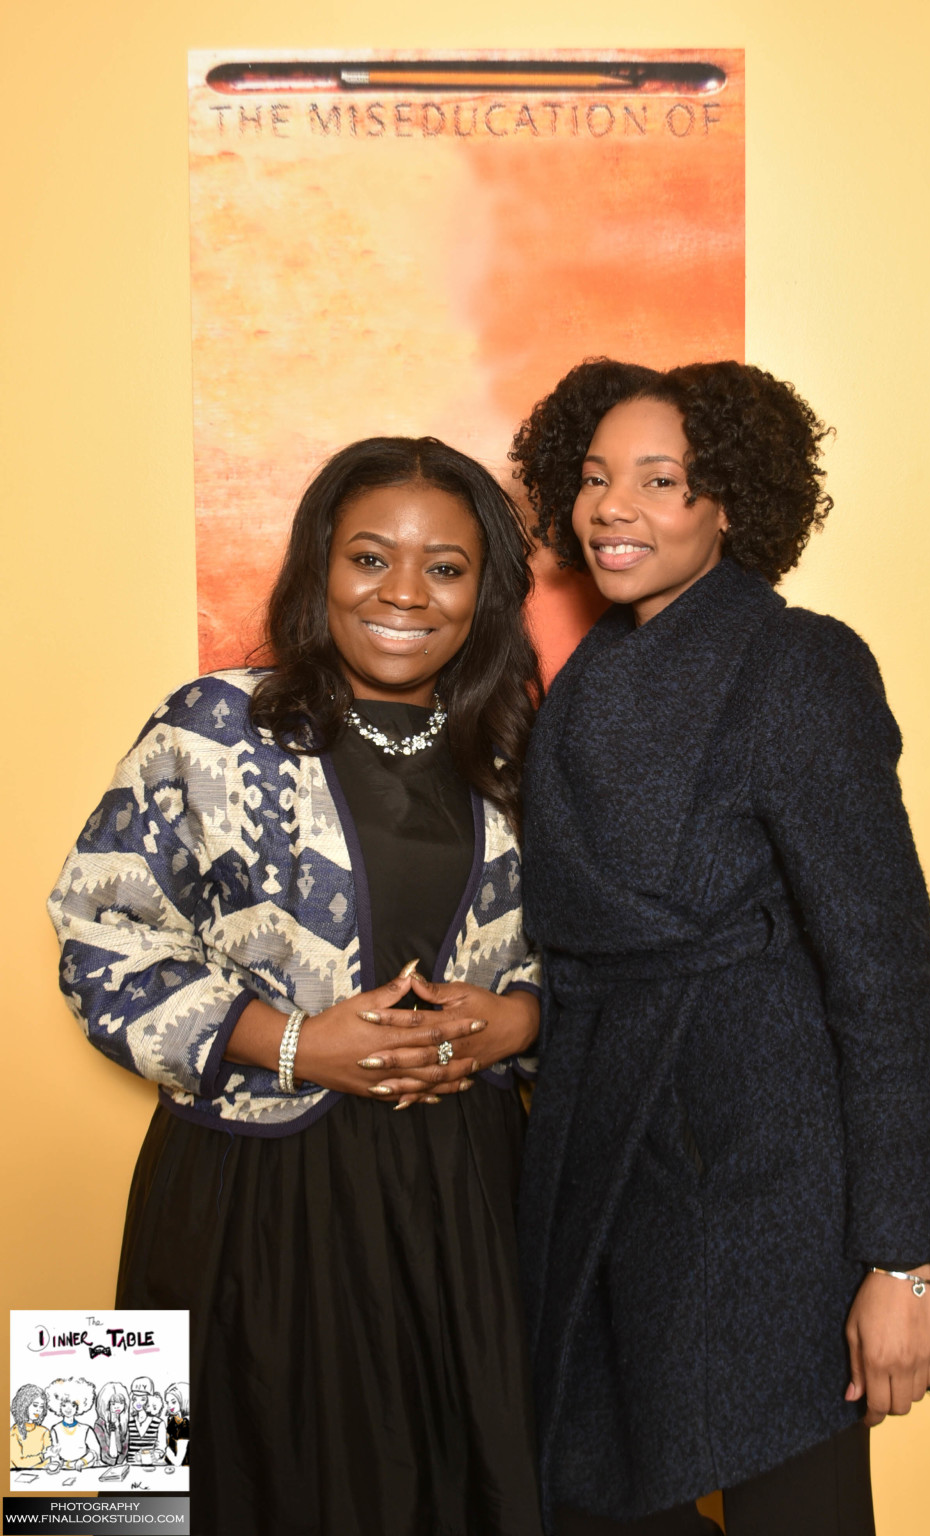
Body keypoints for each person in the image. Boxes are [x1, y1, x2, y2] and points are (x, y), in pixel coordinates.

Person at [509, 360, 930, 1536]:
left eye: (659, 480)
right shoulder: (589, 675)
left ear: (729, 502)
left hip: (768, 1177)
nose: (610, 509)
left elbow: (886, 979)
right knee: (586, 1489)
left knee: (795, 1502)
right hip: (609, 1148)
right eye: (593, 479)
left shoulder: (799, 664)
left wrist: (903, 1259)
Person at [47, 436, 545, 1536]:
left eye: (447, 567)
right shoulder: (208, 721)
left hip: (456, 1199)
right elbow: (93, 929)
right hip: (232, 1183)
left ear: (486, 592)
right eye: (370, 556)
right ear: (319, 565)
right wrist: (286, 1041)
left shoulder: (523, 746)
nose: (404, 592)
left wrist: (517, 1022)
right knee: (132, 1502)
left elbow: (607, 965)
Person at [45, 1379, 101, 1471]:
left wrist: (83, 1461)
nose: (68, 1409)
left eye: (73, 1405)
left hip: (84, 1469)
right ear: (58, 1407)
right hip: (63, 1470)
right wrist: (55, 1464)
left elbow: (95, 1452)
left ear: (79, 1407)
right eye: (64, 1405)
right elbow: (55, 1455)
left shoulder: (86, 1429)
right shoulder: (55, 1429)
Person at [9, 1385, 52, 1470]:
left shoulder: (44, 1431)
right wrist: (43, 1457)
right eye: (35, 1405)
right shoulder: (14, 1432)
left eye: (41, 1407)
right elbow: (19, 1462)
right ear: (23, 1405)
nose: (38, 1410)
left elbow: (49, 1460)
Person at [93, 1380, 129, 1466]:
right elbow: (103, 1448)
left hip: (122, 1464)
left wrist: (120, 1462)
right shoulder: (99, 1424)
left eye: (121, 1403)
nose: (117, 1406)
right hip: (105, 1464)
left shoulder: (125, 1423)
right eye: (113, 1403)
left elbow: (125, 1446)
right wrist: (112, 1430)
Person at [163, 1382, 190, 1468]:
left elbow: (178, 1461)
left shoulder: (186, 1425)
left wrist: (164, 1448)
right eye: (167, 1402)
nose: (169, 1406)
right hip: (171, 1467)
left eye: (173, 1402)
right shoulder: (173, 1421)